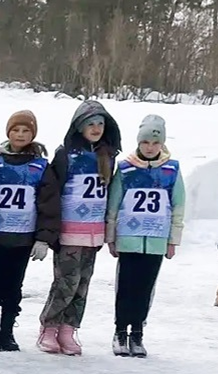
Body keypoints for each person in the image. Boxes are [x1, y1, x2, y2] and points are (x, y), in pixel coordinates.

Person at [37, 100, 120, 356]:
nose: (96, 128)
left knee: (83, 284)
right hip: (69, 230)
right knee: (66, 282)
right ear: (79, 127)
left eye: (100, 124)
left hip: (93, 232)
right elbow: (53, 191)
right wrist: (50, 231)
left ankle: (68, 328)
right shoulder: (66, 154)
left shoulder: (107, 155)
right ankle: (49, 326)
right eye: (90, 124)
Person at [105, 114, 184, 358]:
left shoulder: (171, 169)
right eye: (146, 142)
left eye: (155, 143)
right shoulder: (126, 168)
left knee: (145, 287)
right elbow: (114, 205)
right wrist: (111, 236)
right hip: (129, 238)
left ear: (162, 144)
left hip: (156, 240)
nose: (150, 147)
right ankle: (120, 331)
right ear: (139, 143)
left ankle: (137, 332)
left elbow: (178, 205)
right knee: (126, 287)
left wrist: (173, 240)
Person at [0, 110, 54, 352]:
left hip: (23, 237)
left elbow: (48, 202)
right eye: (16, 130)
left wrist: (43, 238)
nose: (20, 135)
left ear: (33, 134)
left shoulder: (40, 166)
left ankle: (7, 329)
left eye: (26, 131)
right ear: (8, 133)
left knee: (13, 286)